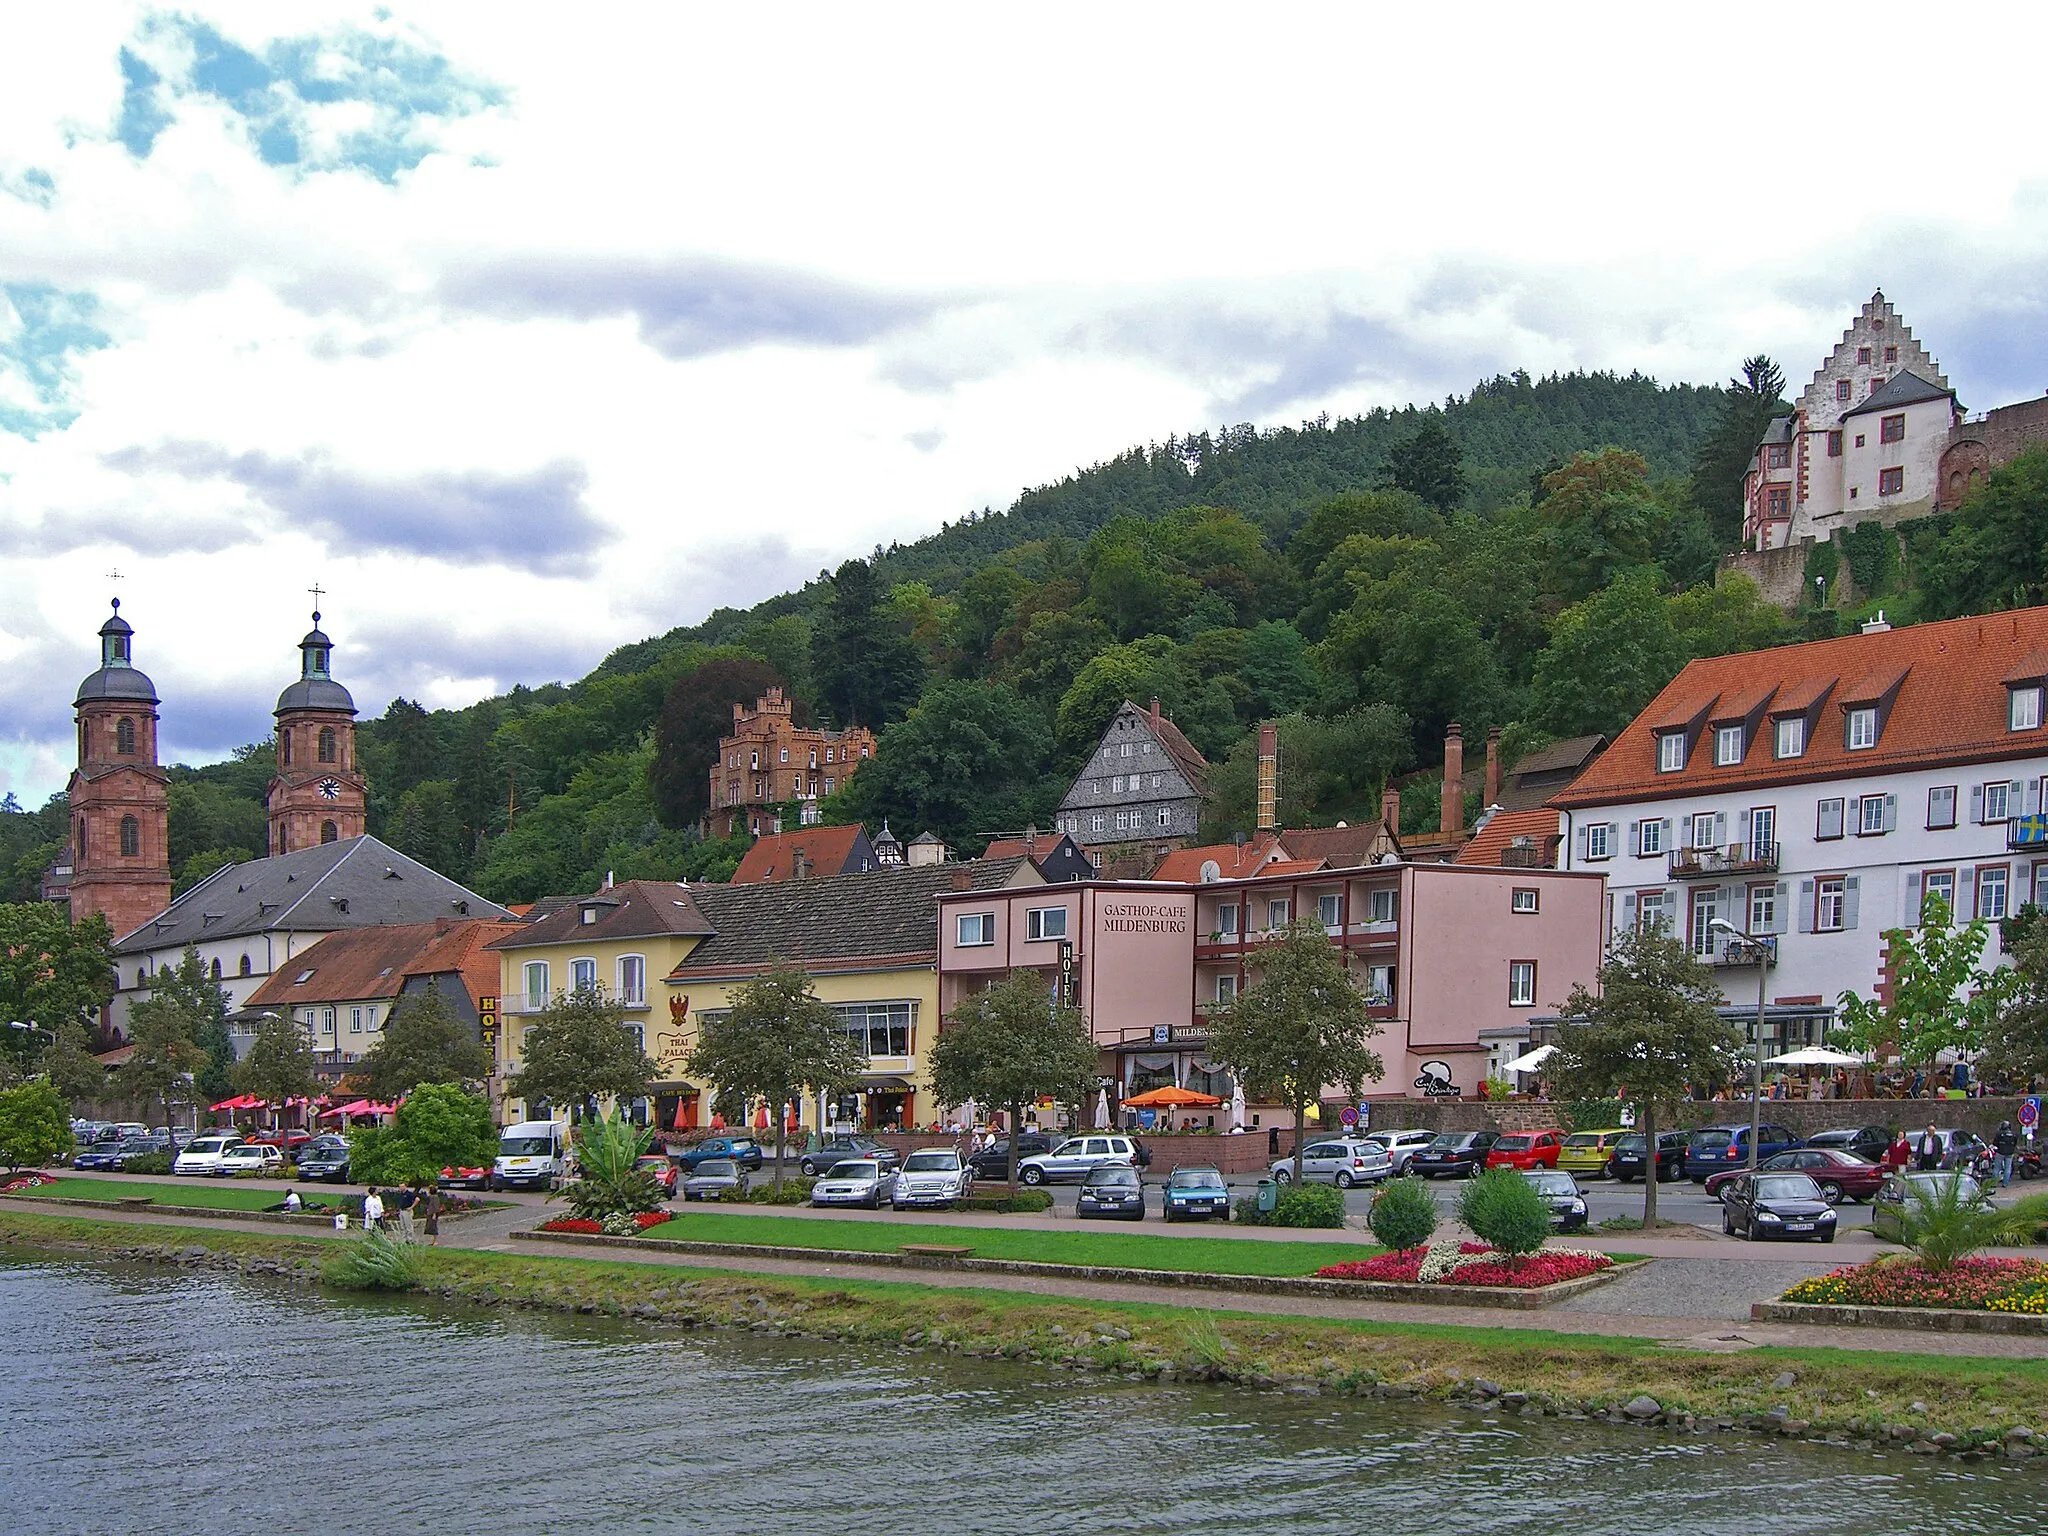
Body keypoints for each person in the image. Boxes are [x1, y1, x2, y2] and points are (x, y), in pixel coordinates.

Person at [1994, 1120, 2018, 1187]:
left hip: (2000, 1152)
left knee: (1997, 1168)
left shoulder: (1999, 1133)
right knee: (2008, 1168)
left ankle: (1994, 1183)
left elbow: (1995, 1142)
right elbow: (2015, 1143)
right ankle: (2005, 1183)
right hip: (2010, 1153)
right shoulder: (2014, 1134)